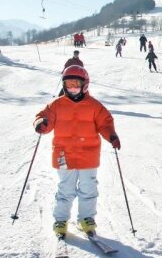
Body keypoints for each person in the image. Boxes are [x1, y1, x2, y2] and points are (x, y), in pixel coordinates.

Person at [33, 65, 120, 237]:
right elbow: (44, 117)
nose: (72, 88)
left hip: (88, 155)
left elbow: (105, 123)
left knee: (89, 189)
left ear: (85, 84)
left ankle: (86, 218)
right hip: (63, 155)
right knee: (66, 188)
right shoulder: (56, 105)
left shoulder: (95, 106)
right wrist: (41, 123)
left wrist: (111, 135)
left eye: (76, 84)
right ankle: (61, 219)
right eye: (68, 84)